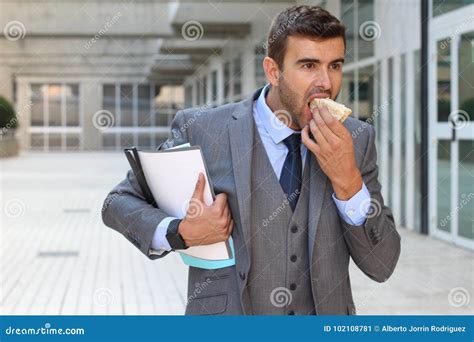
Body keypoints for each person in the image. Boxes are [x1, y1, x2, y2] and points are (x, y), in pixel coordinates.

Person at [102, 5, 401, 315]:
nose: (325, 82)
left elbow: (382, 264)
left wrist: (348, 182)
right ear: (273, 71)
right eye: (309, 65)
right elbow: (117, 202)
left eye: (335, 65)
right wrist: (179, 232)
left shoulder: (357, 138)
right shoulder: (206, 130)